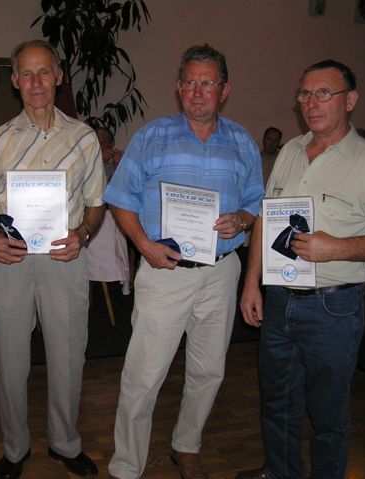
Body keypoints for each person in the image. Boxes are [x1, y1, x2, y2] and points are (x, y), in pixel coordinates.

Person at [237, 60, 365, 479]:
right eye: (305, 94)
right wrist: (252, 283)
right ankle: (280, 472)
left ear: (350, 101)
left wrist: (336, 247)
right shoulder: (290, 152)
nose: (311, 103)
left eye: (324, 93)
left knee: (328, 415)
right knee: (277, 404)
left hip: (332, 310)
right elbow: (265, 218)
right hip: (279, 300)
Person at [104, 44, 263, 479]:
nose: (197, 91)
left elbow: (256, 202)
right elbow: (119, 198)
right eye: (190, 82)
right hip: (164, 270)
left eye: (207, 83)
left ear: (224, 90)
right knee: (143, 376)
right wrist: (143, 245)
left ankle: (186, 445)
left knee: (208, 371)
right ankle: (126, 466)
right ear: (178, 88)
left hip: (221, 273)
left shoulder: (242, 142)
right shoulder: (152, 137)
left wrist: (242, 219)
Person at [0, 39, 105, 479]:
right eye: (26, 74)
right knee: (10, 362)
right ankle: (14, 449)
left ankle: (65, 443)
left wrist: (83, 234)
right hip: (10, 259)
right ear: (14, 81)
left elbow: (96, 204)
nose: (36, 82)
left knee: (68, 359)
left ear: (58, 76)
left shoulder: (83, 138)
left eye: (44, 71)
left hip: (64, 260)